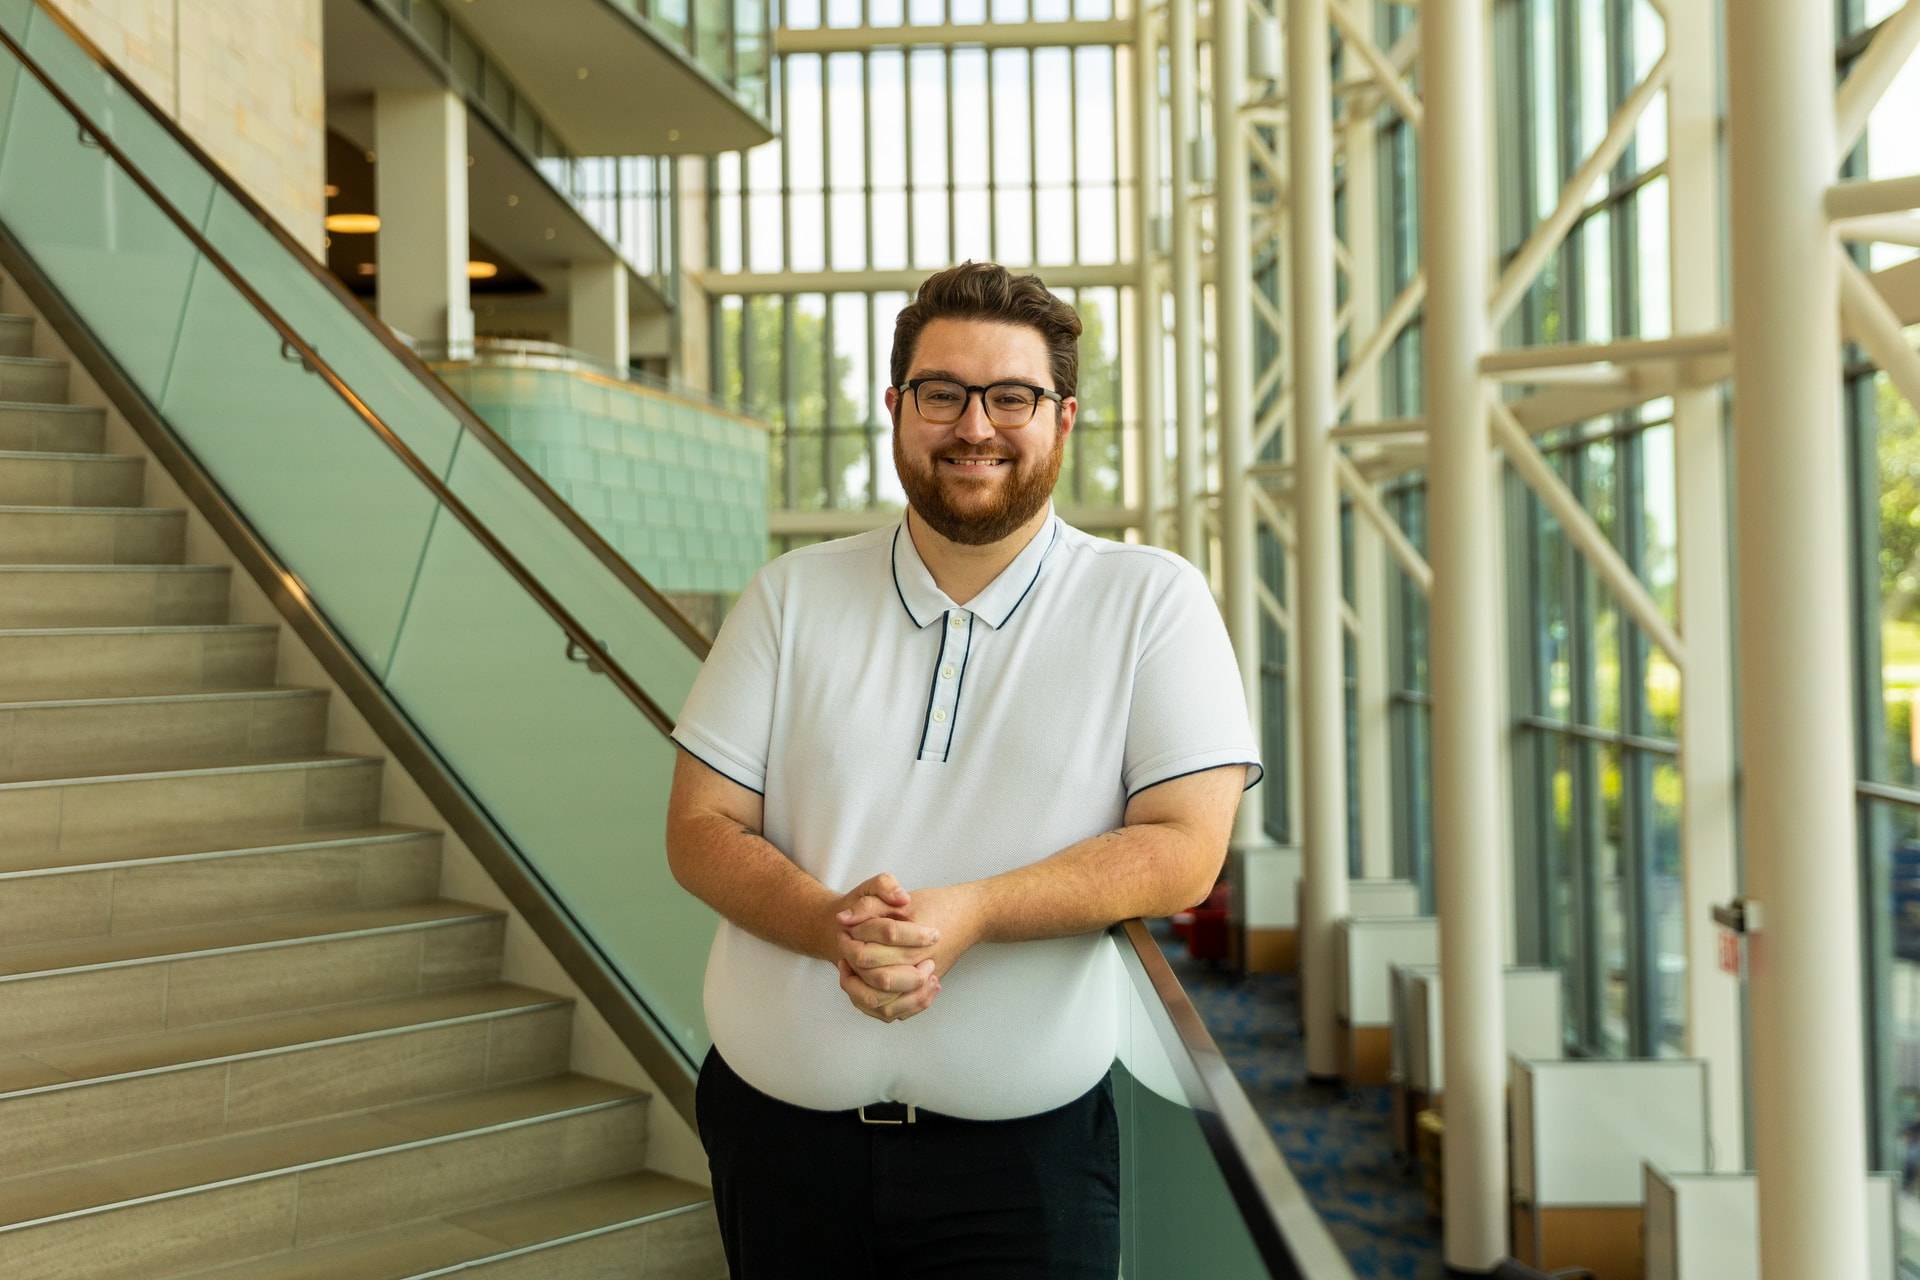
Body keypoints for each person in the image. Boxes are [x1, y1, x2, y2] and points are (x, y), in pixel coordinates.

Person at [664, 260, 1262, 1278]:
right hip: (775, 1142)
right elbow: (699, 825)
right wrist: (832, 928)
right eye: (941, 393)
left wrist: (972, 910)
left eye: (1012, 396)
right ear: (896, 409)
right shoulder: (790, 594)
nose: (974, 424)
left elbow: (1184, 851)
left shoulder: (1151, 599)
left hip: (1023, 1167)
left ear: (1063, 419)